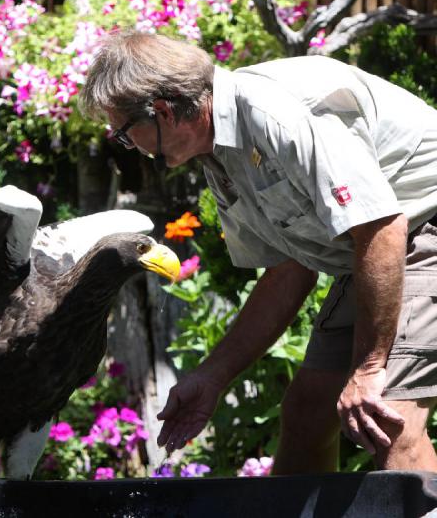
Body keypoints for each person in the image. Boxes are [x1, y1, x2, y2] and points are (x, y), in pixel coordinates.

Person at [78, 31, 437, 473]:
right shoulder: (220, 153)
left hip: (420, 227)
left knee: (385, 420)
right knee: (306, 415)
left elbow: (382, 225)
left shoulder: (273, 116)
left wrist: (368, 369)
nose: (130, 146)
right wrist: (212, 376)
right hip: (381, 244)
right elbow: (289, 271)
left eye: (126, 134)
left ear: (163, 113)